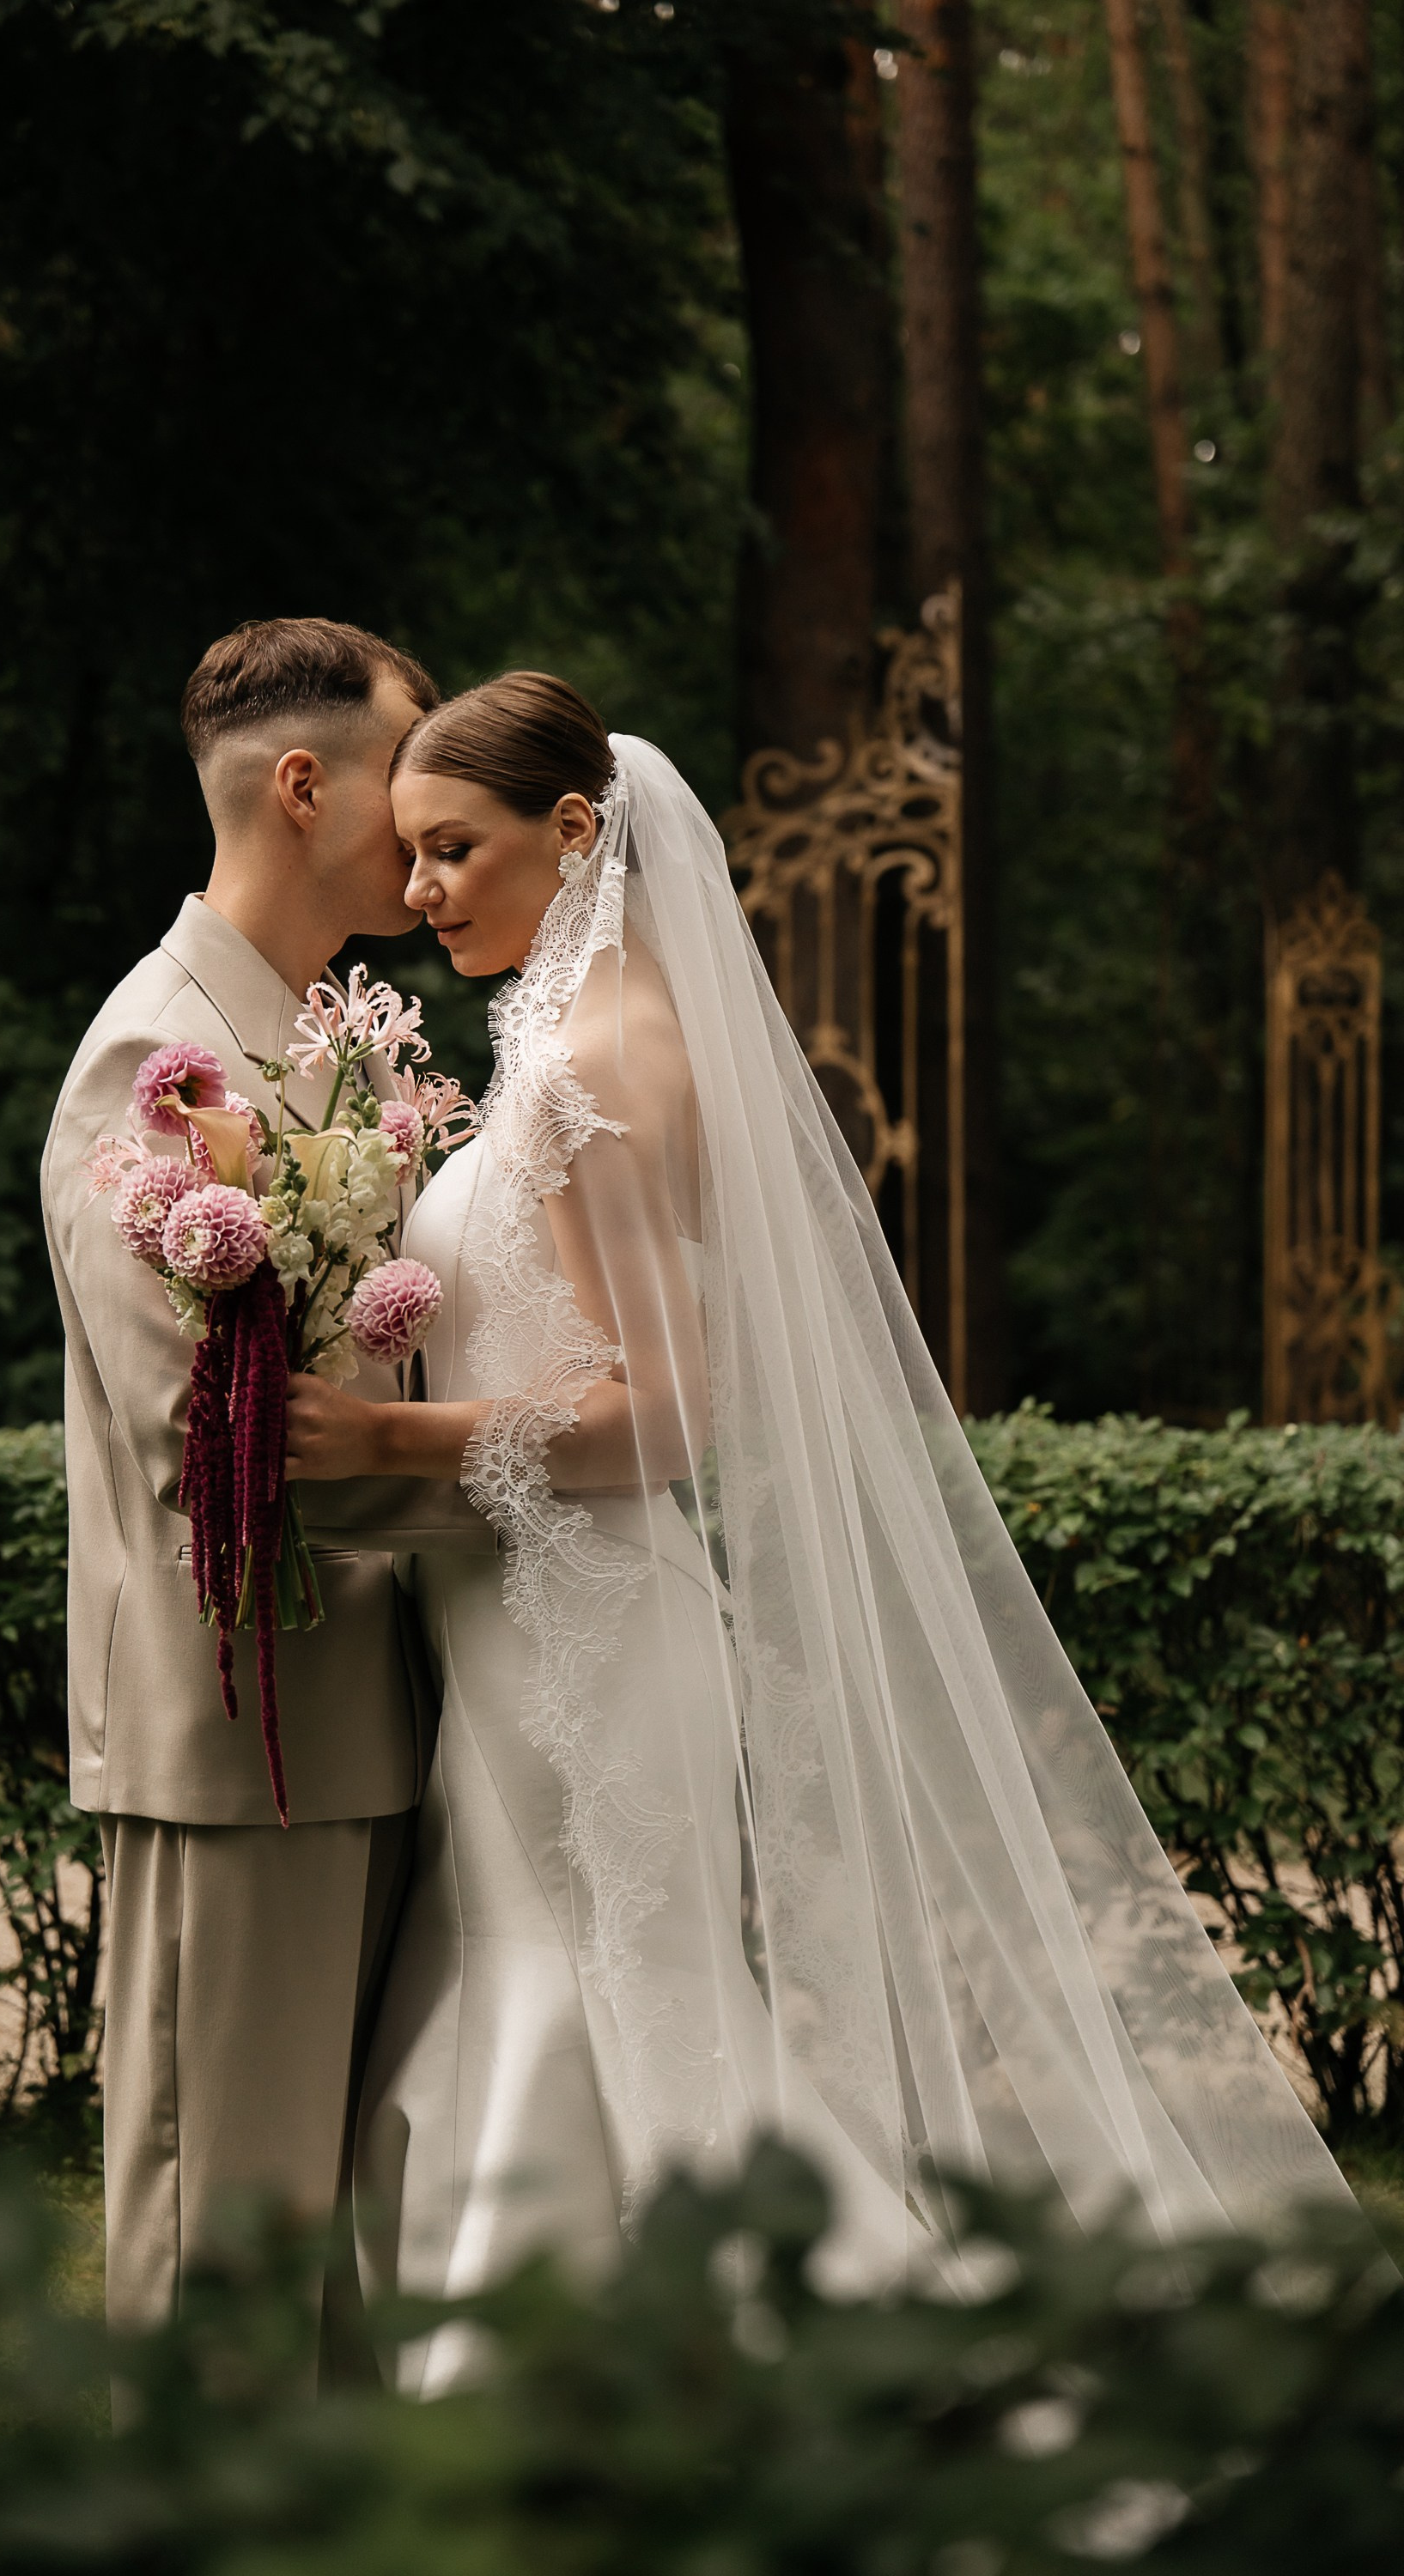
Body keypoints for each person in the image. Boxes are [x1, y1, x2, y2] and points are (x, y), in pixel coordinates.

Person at [281, 671, 1359, 2394]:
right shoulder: (582, 1043)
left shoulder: (585, 1074)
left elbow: (669, 1412)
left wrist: (384, 1433)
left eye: (448, 849)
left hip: (589, 1642)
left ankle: (733, 2400)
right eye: (407, 854)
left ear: (575, 833)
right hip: (529, 1633)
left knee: (612, 2013)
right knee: (555, 2001)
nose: (416, 890)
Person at [40, 617, 491, 2347]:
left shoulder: (342, 1046)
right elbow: (215, 1458)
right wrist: (535, 1480)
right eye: (407, 774)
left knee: (347, 2275)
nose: (434, 815)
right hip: (238, 1737)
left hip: (392, 1709)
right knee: (220, 2253)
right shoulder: (153, 1062)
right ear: (304, 787)